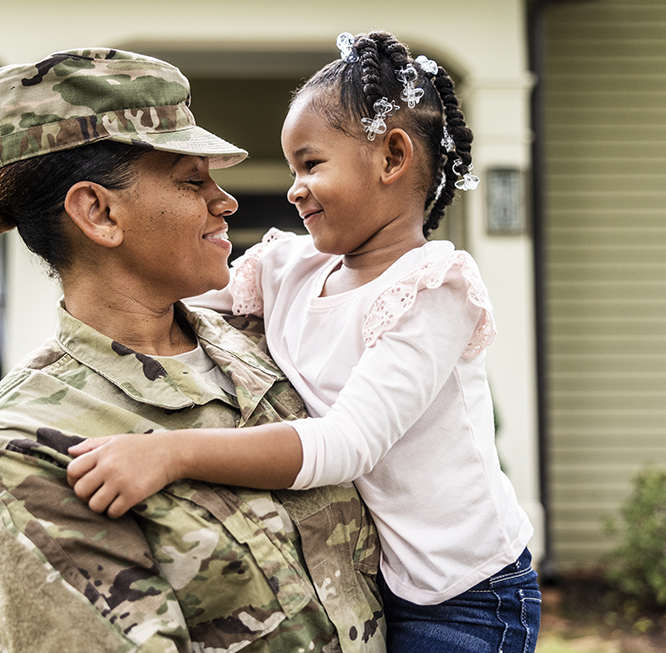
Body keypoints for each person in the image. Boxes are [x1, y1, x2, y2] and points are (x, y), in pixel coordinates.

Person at [66, 31, 540, 653]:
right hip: (379, 581)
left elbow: (346, 445)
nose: (294, 189)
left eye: (311, 165)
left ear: (392, 158)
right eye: (293, 169)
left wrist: (170, 454)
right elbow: (171, 303)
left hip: (470, 595)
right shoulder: (290, 268)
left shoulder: (433, 290)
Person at [0, 47, 385, 653]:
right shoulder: (26, 455)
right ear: (98, 212)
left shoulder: (272, 346)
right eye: (191, 181)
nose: (225, 201)